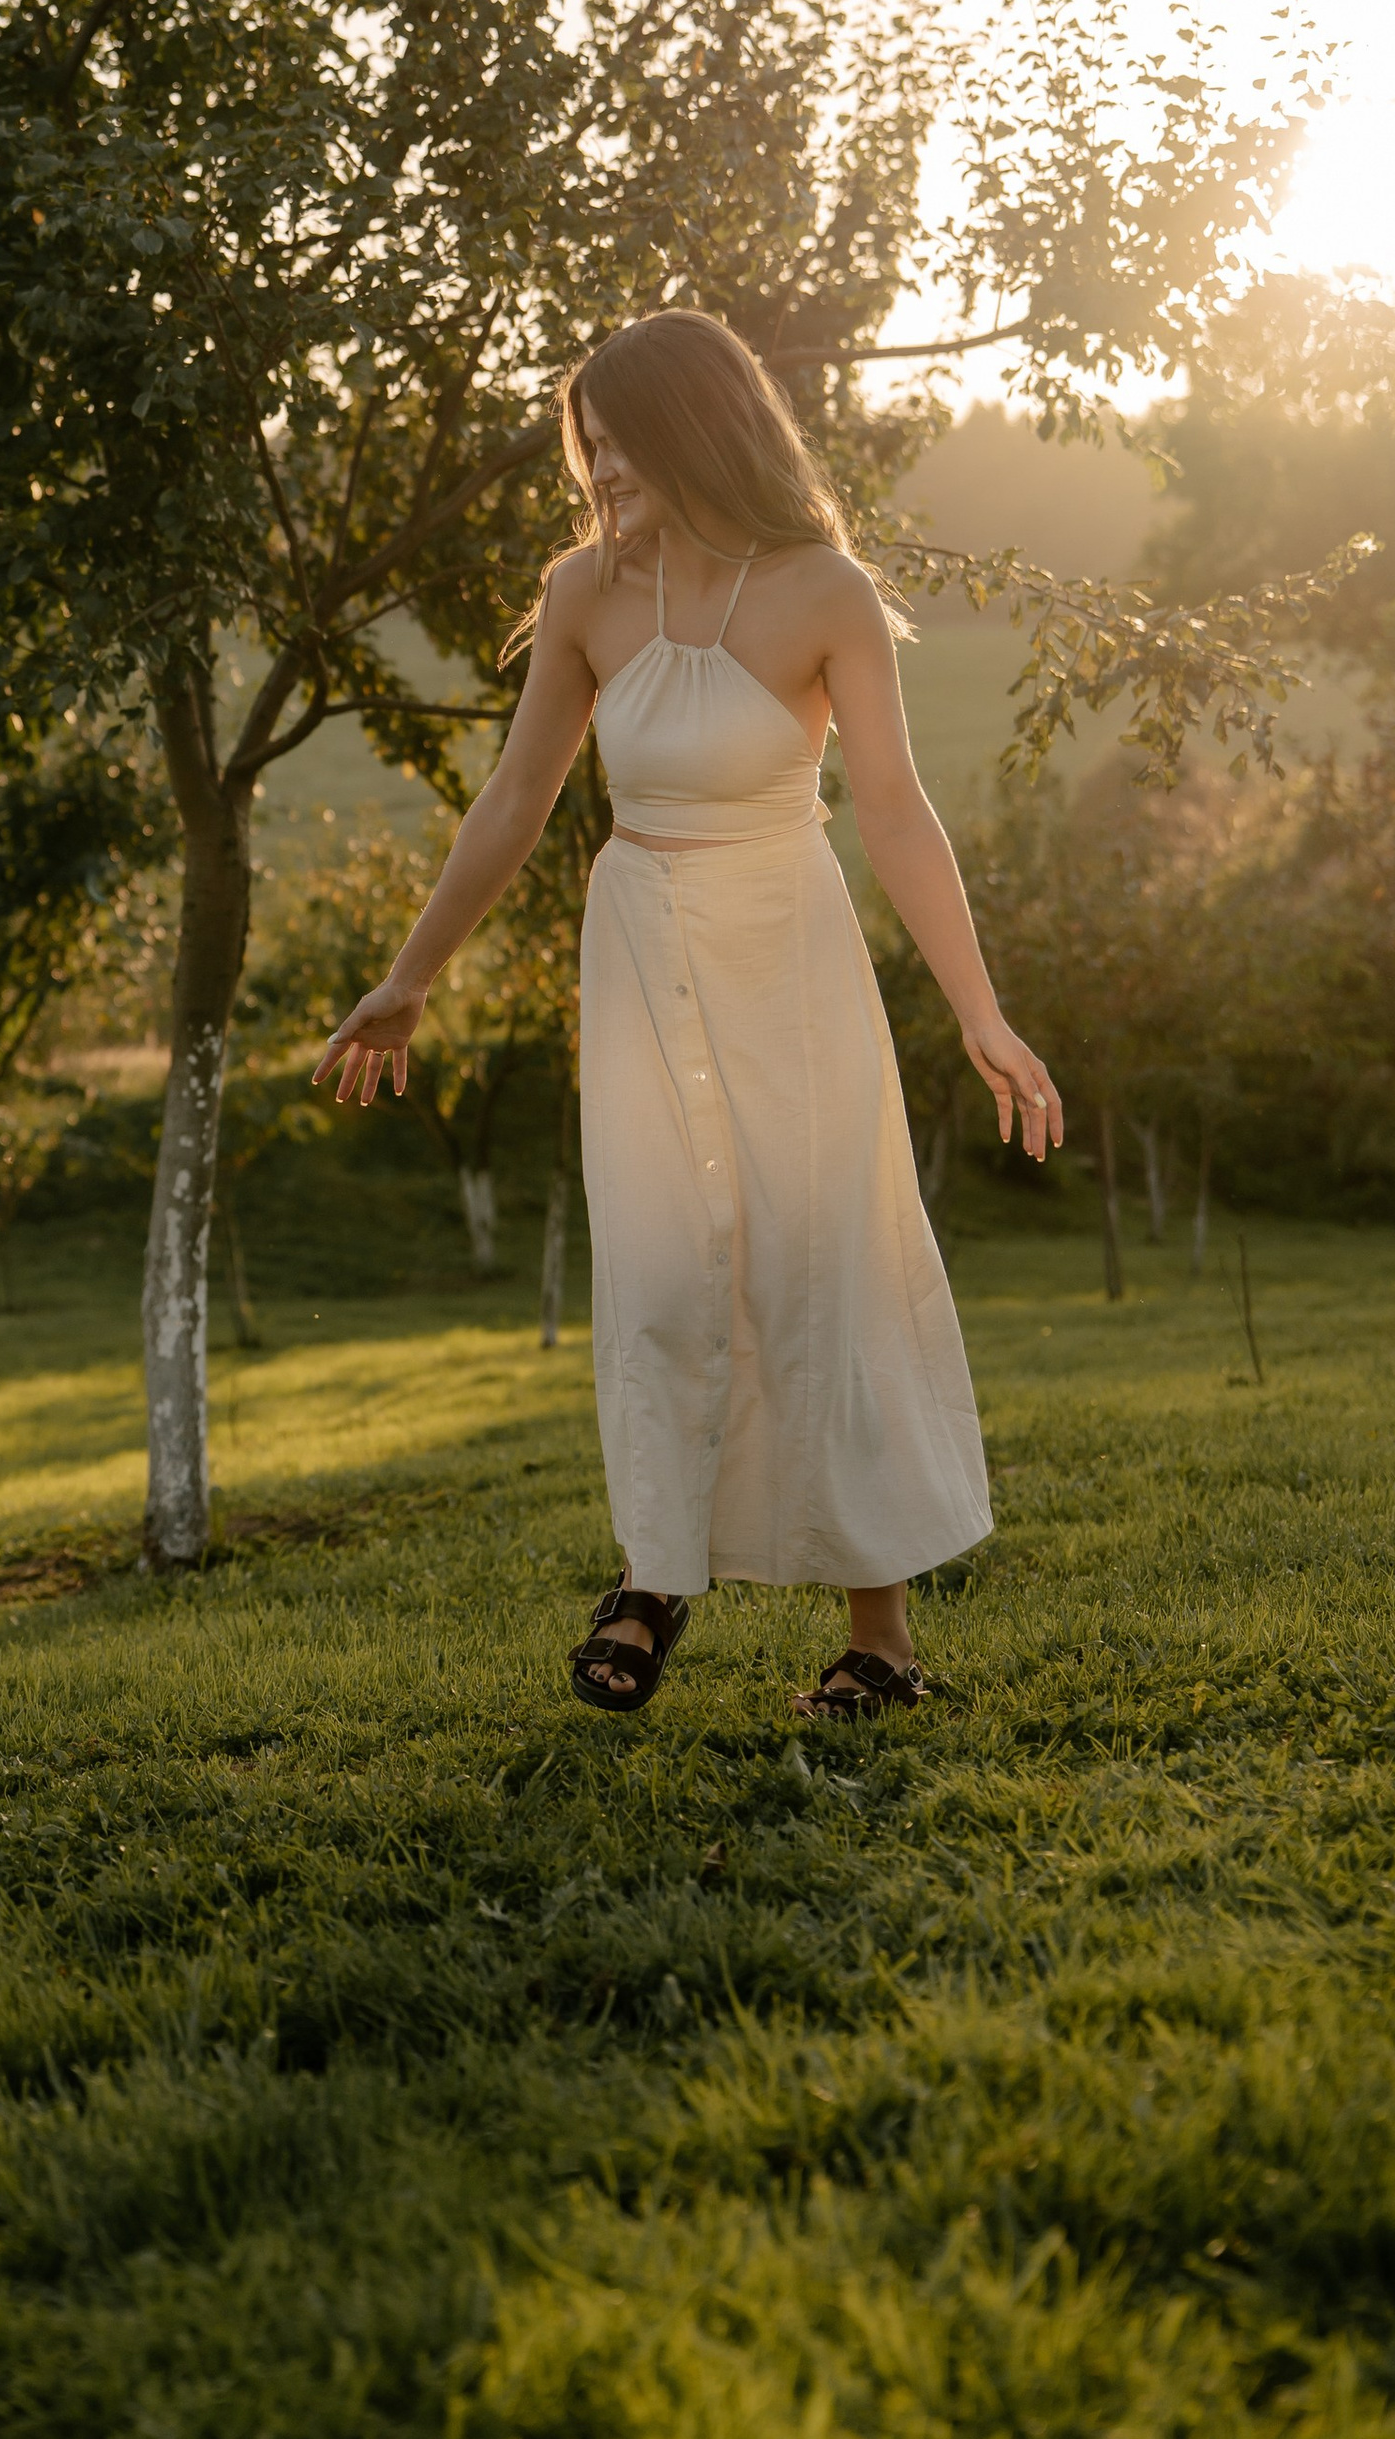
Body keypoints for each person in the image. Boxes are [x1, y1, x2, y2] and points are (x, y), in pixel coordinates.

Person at [315, 308, 1062, 1722]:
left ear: (696, 431)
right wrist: (407, 982)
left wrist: (982, 1011)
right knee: (662, 1274)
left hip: (787, 954)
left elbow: (895, 814)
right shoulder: (588, 594)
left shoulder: (824, 592)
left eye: (619, 444)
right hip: (641, 949)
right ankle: (655, 1576)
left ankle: (881, 1646)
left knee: (818, 1270)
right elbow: (516, 800)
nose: (597, 469)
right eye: (585, 446)